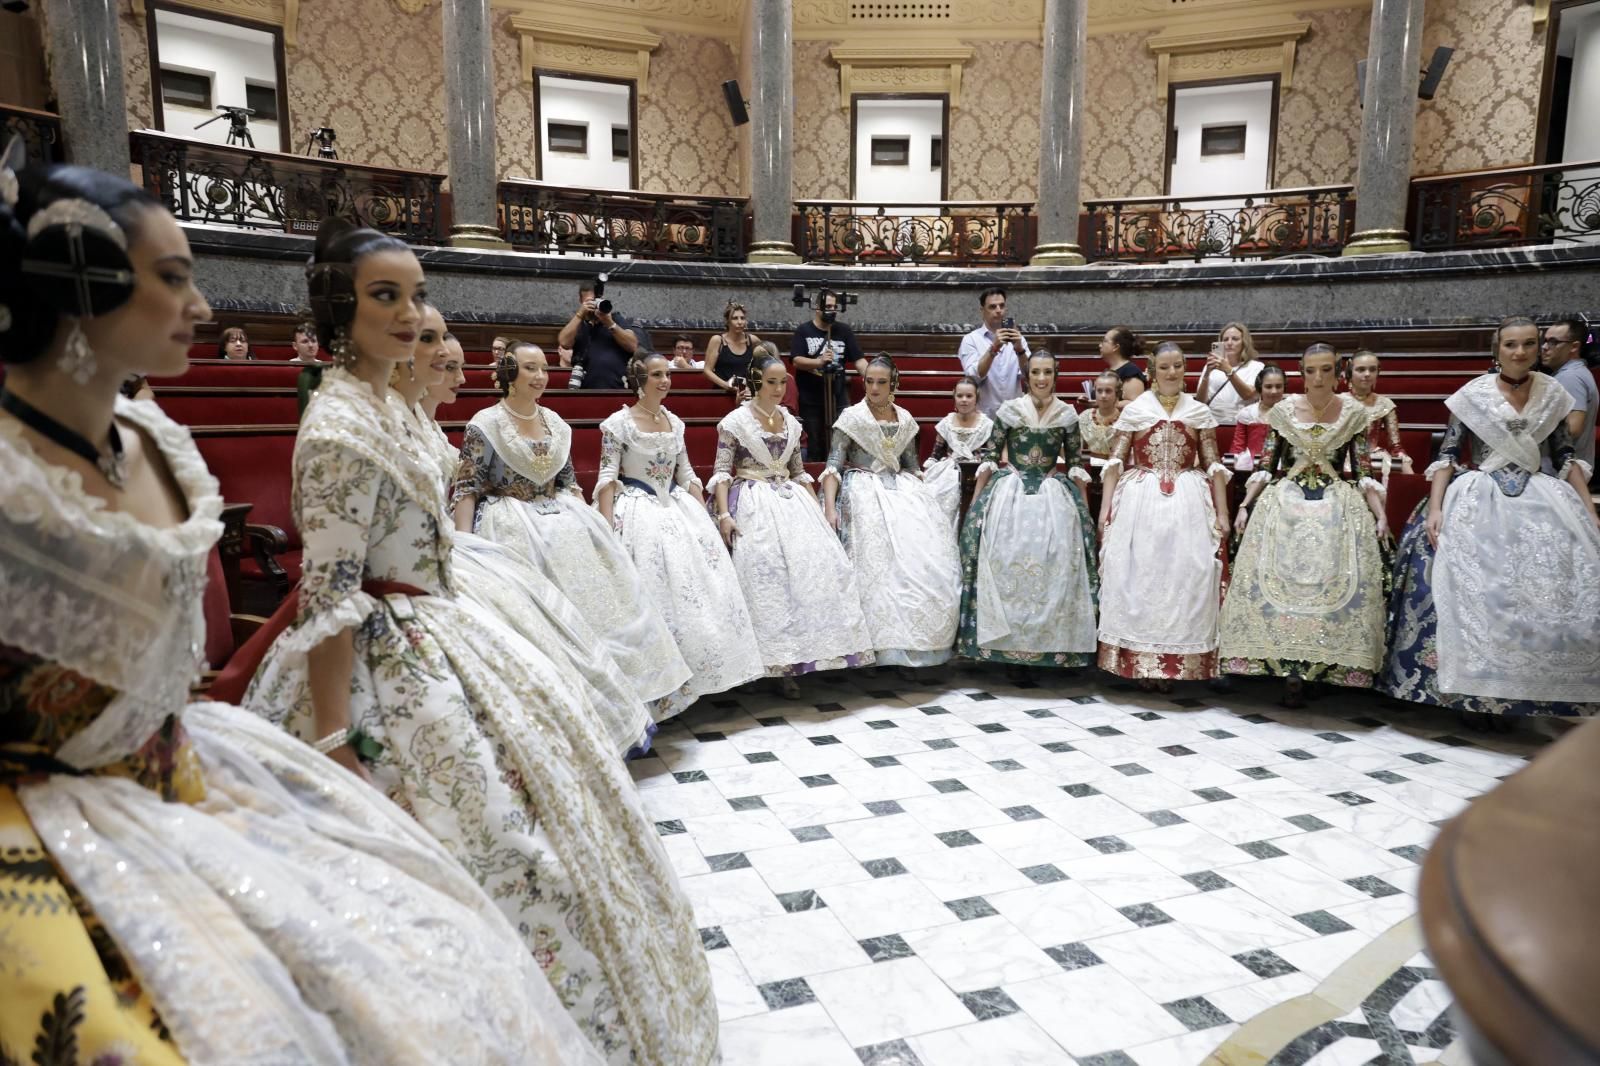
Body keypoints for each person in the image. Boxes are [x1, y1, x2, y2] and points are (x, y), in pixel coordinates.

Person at [0, 162, 598, 1065]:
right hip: (45, 821)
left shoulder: (157, 443)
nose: (200, 304)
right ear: (77, 287)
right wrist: (330, 736)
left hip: (187, 767)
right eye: (170, 278)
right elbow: (329, 583)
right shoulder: (13, 475)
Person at [238, 223, 719, 1065]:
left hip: (444, 624)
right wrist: (331, 749)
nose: (408, 313)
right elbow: (329, 598)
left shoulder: (389, 403)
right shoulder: (338, 428)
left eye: (416, 294)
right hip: (383, 664)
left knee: (553, 843)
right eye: (384, 296)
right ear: (338, 306)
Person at [453, 342, 694, 723]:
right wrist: (464, 551)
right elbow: (467, 488)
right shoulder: (485, 424)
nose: (540, 377)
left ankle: (627, 706)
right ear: (510, 373)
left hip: (562, 518)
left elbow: (568, 483)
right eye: (530, 368)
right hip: (512, 523)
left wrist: (591, 522)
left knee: (611, 598)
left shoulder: (555, 422)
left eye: (544, 368)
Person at [1381, 316, 1600, 725]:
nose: (1520, 352)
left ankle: (1528, 693)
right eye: (1511, 345)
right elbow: (1446, 455)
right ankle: (1472, 693)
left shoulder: (1552, 394)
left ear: (1539, 349)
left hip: (1539, 495)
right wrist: (1435, 508)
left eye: (1529, 345)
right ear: (1496, 350)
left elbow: (1566, 456)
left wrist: (1587, 510)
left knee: (1545, 590)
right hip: (1479, 495)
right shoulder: (1473, 395)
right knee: (1474, 588)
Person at [1218, 342, 1390, 707]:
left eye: (1325, 370)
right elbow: (1267, 465)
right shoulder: (1282, 411)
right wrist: (1245, 505)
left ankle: (1323, 666)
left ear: (1337, 371)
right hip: (1286, 500)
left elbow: (1362, 472)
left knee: (1336, 577)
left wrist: (1381, 514)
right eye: (1310, 370)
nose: (1317, 378)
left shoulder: (1353, 412)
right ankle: (1283, 668)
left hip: (1336, 503)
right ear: (1301, 371)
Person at [596, 353, 766, 709]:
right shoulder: (618, 424)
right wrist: (608, 523)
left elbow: (686, 473)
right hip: (637, 509)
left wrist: (706, 512)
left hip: (674, 507)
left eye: (666, 374)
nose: (665, 381)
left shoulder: (675, 423)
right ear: (639, 380)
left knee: (703, 587)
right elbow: (608, 476)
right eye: (656, 375)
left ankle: (704, 676)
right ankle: (661, 688)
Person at [709, 351, 875, 697]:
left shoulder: (790, 421)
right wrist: (724, 515)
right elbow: (722, 472)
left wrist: (815, 509)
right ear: (756, 382)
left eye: (783, 381)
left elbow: (799, 472)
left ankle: (798, 661)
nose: (779, 388)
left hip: (790, 499)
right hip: (752, 499)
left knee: (812, 570)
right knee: (764, 575)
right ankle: (762, 662)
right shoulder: (735, 422)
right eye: (772, 382)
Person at [1097, 342, 1232, 689]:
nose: (1172, 373)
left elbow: (1213, 463)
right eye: (1164, 367)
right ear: (1152, 371)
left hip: (1187, 501)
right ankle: (1141, 663)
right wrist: (1105, 511)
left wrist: (1223, 511)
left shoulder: (1198, 411)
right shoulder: (1137, 410)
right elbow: (1115, 462)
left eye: (1177, 366)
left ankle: (1176, 663)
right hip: (1141, 500)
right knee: (1141, 577)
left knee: (1184, 578)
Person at [956, 350, 1097, 672]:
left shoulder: (1067, 415)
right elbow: (990, 457)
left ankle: (1050, 647)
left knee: (1057, 562)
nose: (1042, 378)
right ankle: (1002, 647)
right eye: (1036, 372)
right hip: (1011, 491)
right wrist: (977, 507)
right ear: (1027, 376)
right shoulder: (1009, 411)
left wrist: (1085, 513)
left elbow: (1075, 465)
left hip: (1052, 493)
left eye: (1047, 372)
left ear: (1055, 375)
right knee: (1003, 560)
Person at [822, 355, 962, 667]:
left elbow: (912, 466)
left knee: (920, 561)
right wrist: (830, 509)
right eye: (869, 380)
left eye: (881, 382)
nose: (873, 387)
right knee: (876, 564)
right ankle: (872, 648)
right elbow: (833, 464)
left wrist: (927, 499)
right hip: (862, 490)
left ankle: (912, 647)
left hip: (902, 493)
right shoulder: (851, 418)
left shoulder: (905, 420)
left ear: (893, 384)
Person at [792, 289, 867, 461]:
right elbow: (796, 360)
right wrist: (818, 362)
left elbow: (859, 360)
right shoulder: (804, 331)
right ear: (817, 308)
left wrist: (871, 378)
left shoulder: (844, 331)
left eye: (834, 307)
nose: (832, 310)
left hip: (837, 394)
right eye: (828, 306)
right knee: (815, 442)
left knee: (843, 437)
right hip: (810, 397)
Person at [923, 375, 995, 527]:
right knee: (934, 492)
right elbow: (937, 452)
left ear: (976, 398)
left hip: (977, 470)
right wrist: (931, 464)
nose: (964, 400)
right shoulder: (947, 422)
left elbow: (992, 452)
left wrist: (986, 464)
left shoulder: (987, 424)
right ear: (954, 397)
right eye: (960, 395)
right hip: (949, 469)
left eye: (969, 396)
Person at [958, 287, 1030, 417]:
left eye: (1002, 306)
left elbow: (1029, 376)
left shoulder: (1019, 339)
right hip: (984, 416)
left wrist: (1020, 350)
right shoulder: (970, 340)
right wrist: (994, 348)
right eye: (992, 307)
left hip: (1015, 415)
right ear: (982, 311)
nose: (998, 310)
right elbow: (973, 377)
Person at [1539, 317, 1597, 477]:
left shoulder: (1569, 377)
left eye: (1553, 342)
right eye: (1544, 341)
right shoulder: (1575, 373)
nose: (1544, 347)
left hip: (1562, 472)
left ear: (1574, 346)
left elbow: (1573, 428)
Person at [1344, 349, 1413, 476]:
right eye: (1361, 369)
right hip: (1343, 459)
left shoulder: (1385, 404)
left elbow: (1395, 446)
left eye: (1372, 369)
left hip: (1374, 458)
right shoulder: (1336, 402)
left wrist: (1411, 477)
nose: (1367, 374)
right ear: (1350, 371)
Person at [559, 281, 640, 389]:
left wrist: (609, 323)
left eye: (596, 300)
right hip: (585, 390)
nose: (594, 304)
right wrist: (579, 315)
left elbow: (632, 345)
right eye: (589, 301)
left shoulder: (615, 319)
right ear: (581, 301)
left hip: (617, 389)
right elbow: (564, 342)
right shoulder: (578, 324)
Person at [1197, 321, 1263, 424]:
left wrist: (1228, 370)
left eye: (1235, 339)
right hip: (1213, 422)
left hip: (1243, 421)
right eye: (1225, 339)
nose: (1229, 343)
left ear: (1244, 342)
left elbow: (1249, 395)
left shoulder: (1256, 366)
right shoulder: (1210, 366)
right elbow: (1201, 401)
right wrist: (1207, 374)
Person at [1229, 361, 1287, 464]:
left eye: (1278, 386)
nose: (1274, 391)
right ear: (1260, 387)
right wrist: (1230, 466)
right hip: (1251, 467)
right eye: (1268, 387)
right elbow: (1238, 447)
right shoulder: (1247, 413)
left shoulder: (1293, 413)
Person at [703, 300, 761, 396]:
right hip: (722, 393)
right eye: (735, 318)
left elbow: (764, 365)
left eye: (742, 318)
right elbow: (707, 371)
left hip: (746, 394)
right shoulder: (717, 340)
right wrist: (726, 385)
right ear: (727, 321)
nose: (740, 322)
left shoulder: (753, 340)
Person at [1098, 326, 1147, 406]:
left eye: (1104, 341)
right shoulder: (1108, 371)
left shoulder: (1131, 372)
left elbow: (1134, 404)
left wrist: (1102, 405)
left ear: (1116, 347)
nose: (1100, 345)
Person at [1079, 369, 1122, 458]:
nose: (1103, 395)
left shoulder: (1124, 419)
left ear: (1117, 394)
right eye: (1099, 391)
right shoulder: (1084, 417)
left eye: (1108, 391)